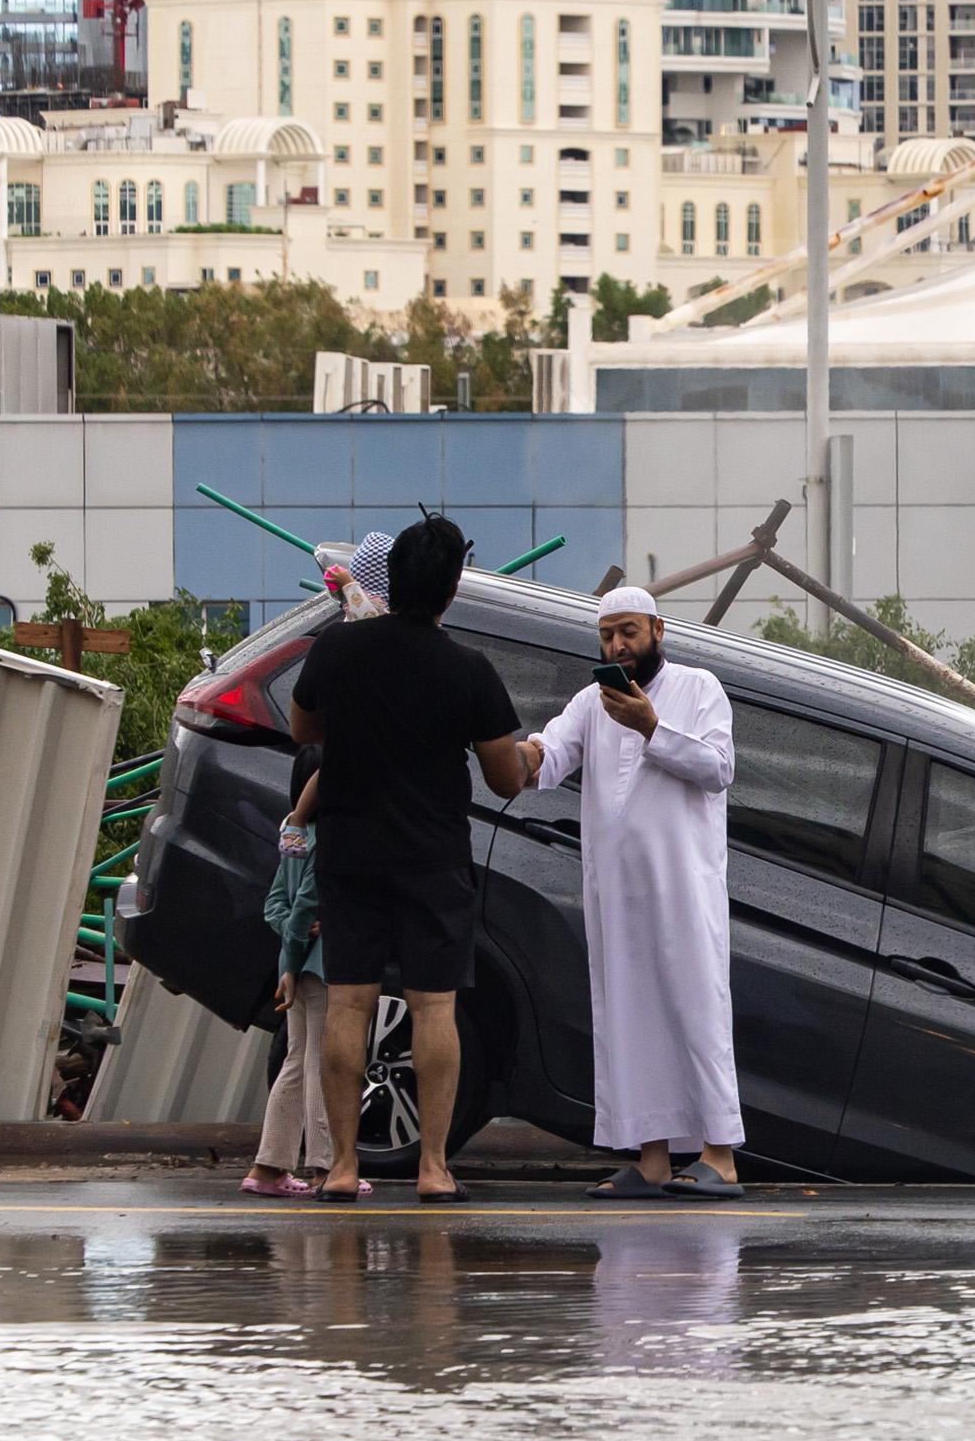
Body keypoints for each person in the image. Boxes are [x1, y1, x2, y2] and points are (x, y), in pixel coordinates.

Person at [290, 515, 531, 1202]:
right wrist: (530, 752)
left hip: (350, 850)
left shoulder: (338, 649)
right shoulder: (468, 669)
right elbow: (504, 778)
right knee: (432, 1006)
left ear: (390, 580)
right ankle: (432, 1166)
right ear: (452, 588)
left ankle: (341, 1166)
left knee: (349, 1003)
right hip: (432, 856)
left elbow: (304, 729)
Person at [523, 585, 742, 1198]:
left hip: (683, 887)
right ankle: (650, 1160)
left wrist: (652, 727)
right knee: (628, 1015)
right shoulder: (591, 702)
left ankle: (719, 1155)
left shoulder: (699, 688)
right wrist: (517, 752)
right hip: (616, 893)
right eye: (607, 635)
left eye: (628, 632)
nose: (617, 645)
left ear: (657, 630)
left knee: (697, 1010)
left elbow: (719, 768)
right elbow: (551, 752)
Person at [244, 775, 334, 1196]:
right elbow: (304, 905)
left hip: (295, 962)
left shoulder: (294, 837)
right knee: (320, 1059)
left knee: (297, 1059)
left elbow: (275, 905)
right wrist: (301, 951)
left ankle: (269, 1166)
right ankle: (324, 1167)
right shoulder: (332, 839)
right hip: (321, 963)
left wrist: (289, 957)